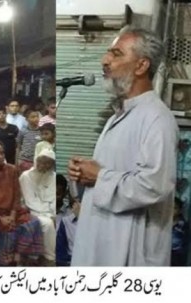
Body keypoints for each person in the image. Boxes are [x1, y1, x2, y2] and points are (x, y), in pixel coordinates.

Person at [68, 26, 177, 266]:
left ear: (141, 66)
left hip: (130, 249)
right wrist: (83, 173)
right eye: (108, 53)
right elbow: (108, 172)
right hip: (102, 238)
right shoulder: (119, 115)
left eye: (116, 54)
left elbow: (156, 186)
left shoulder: (157, 118)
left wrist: (100, 176)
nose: (105, 61)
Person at [19, 149, 56, 263]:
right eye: (41, 162)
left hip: (49, 211)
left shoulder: (53, 176)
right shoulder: (26, 176)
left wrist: (53, 213)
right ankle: (50, 257)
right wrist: (49, 214)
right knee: (48, 224)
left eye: (47, 163)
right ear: (36, 161)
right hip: (30, 210)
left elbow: (54, 198)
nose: (43, 165)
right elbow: (30, 201)